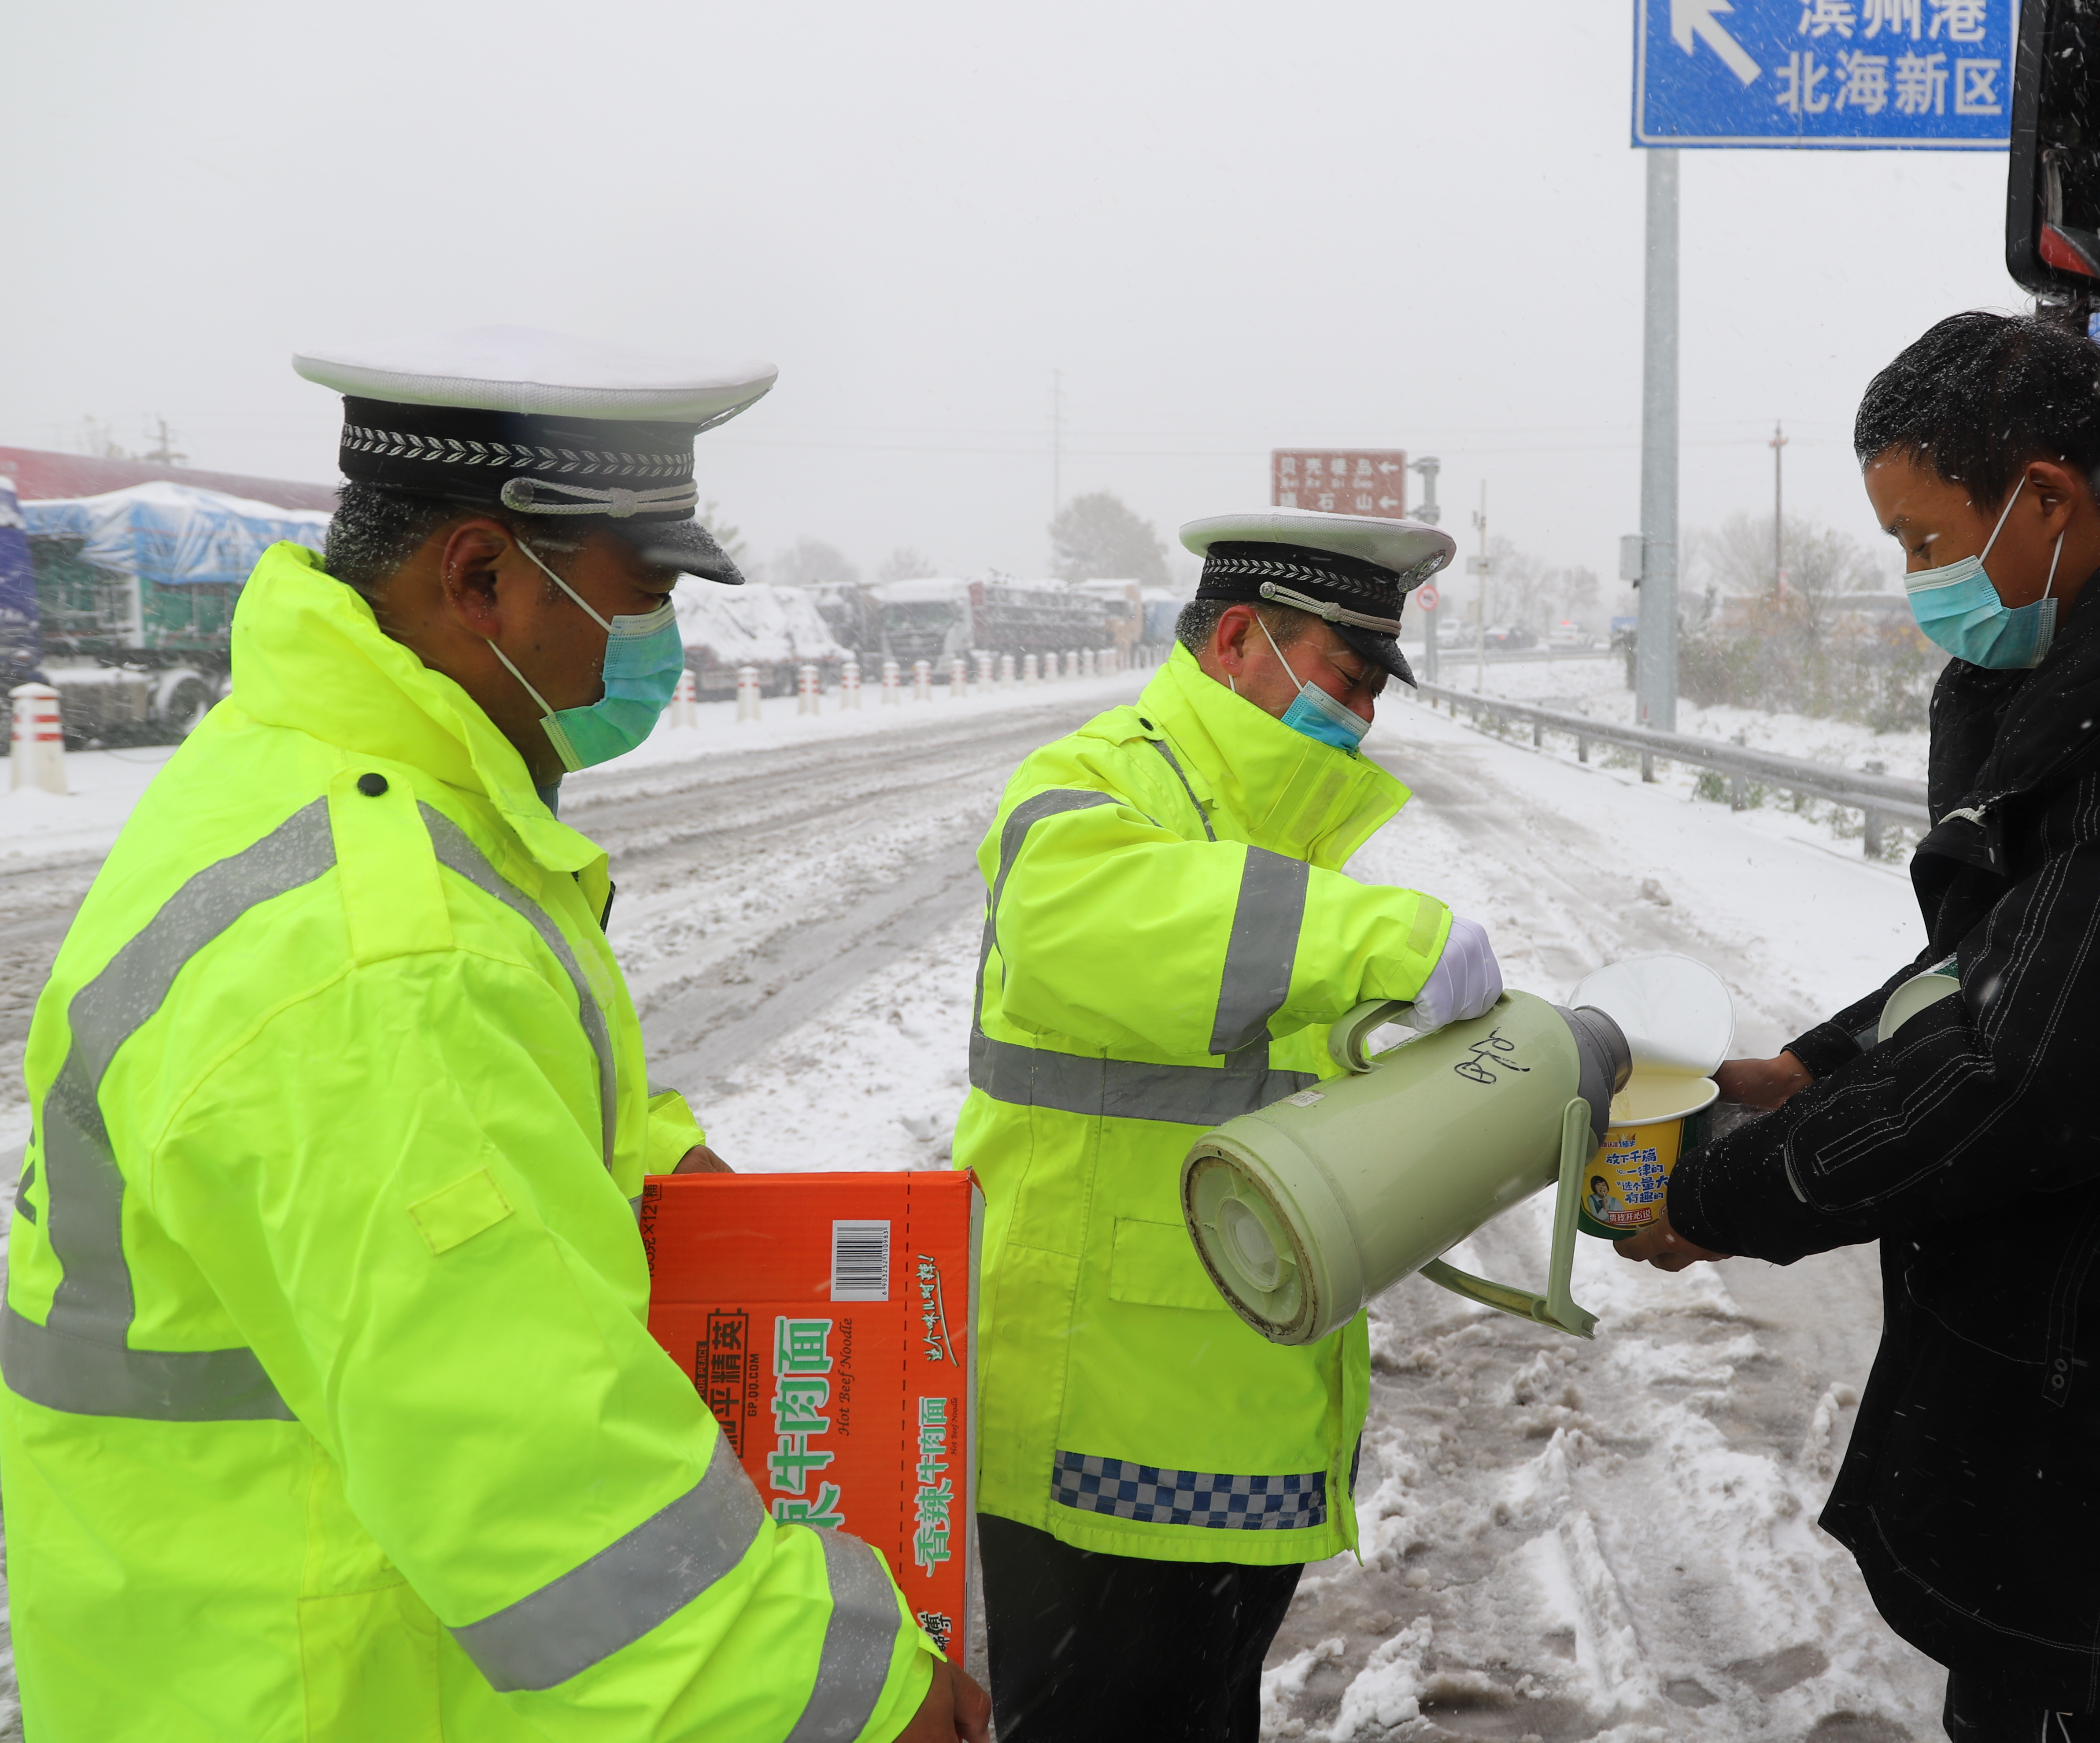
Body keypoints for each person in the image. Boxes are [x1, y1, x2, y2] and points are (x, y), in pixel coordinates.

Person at [0, 326, 987, 1743]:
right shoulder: (373, 953)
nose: (663, 644)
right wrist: (855, 1701)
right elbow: (531, 1472)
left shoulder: (318, 781)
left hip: (243, 1637)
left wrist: (663, 1170)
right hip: (328, 1685)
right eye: (642, 597)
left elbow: (441, 1128)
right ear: (480, 579)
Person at [1617, 312, 2100, 1740]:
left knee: (2065, 1699)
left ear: (2038, 498)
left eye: (1921, 541)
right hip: (2076, 1336)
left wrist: (1729, 1193)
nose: (1918, 584)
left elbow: (2028, 1072)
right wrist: (1818, 1066)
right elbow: (1990, 957)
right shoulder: (2082, 680)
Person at [956, 508, 1503, 1742]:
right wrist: (1386, 941)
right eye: (1346, 680)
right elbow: (1082, 920)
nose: (1358, 720)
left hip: (1228, 1396)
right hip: (1103, 1416)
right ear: (1239, 640)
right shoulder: (1103, 781)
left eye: (1374, 695)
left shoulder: (1280, 825)